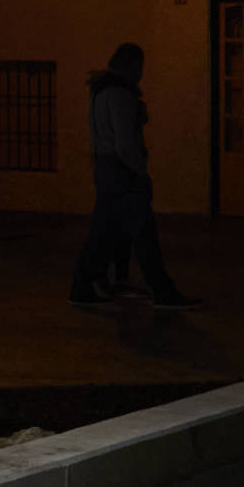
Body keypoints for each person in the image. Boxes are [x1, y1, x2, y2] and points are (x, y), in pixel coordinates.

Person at [70, 42, 201, 310]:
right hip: (124, 173)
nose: (142, 73)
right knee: (143, 232)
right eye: (140, 66)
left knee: (103, 232)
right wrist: (140, 171)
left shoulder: (100, 91)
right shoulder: (121, 94)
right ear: (132, 66)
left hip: (106, 170)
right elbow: (125, 143)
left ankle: (82, 285)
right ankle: (162, 290)